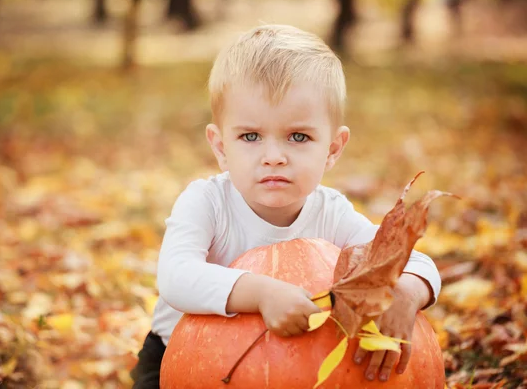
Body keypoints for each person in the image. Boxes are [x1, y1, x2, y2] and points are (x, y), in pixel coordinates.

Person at [130, 24, 441, 389]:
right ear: (219, 147)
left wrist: (405, 293)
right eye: (250, 136)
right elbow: (175, 276)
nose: (274, 157)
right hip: (181, 359)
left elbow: (413, 261)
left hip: (300, 363)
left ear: (333, 149)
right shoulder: (205, 203)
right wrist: (262, 293)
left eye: (298, 136)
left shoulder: (331, 212)